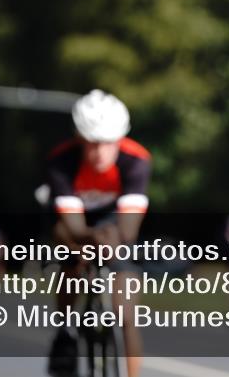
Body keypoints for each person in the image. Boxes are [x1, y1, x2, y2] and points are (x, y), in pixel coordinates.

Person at [46, 90, 151, 377]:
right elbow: (73, 227)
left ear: (120, 139)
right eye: (91, 143)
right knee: (70, 252)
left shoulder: (136, 160)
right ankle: (65, 328)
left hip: (115, 221)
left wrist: (112, 242)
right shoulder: (61, 160)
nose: (99, 152)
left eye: (108, 143)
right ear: (79, 138)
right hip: (76, 221)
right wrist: (87, 241)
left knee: (126, 311)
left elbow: (128, 230)